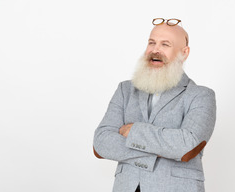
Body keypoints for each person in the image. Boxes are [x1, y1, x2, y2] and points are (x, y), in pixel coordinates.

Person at [93, 18, 216, 192]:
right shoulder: (125, 90)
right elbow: (101, 143)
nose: (155, 50)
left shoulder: (201, 95)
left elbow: (188, 146)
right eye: (152, 43)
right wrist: (164, 150)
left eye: (165, 44)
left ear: (184, 53)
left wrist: (133, 131)